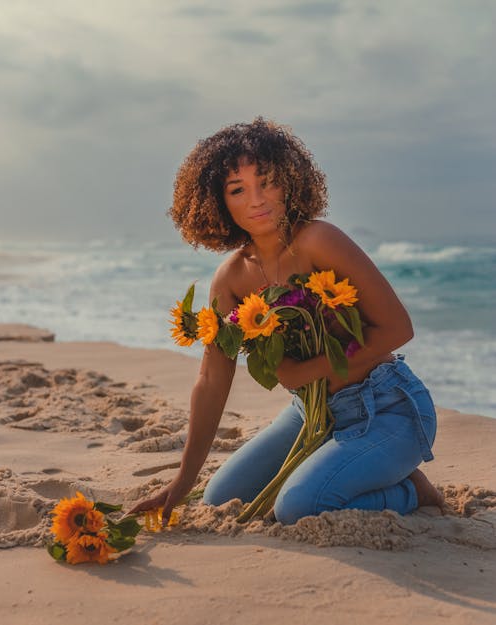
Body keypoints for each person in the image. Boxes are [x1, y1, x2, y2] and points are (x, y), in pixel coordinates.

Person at [129, 117, 443, 525]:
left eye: (267, 181)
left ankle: (412, 491)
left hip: (385, 407)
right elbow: (212, 379)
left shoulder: (318, 240)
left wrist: (307, 370)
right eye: (237, 190)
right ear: (217, 201)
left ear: (289, 181)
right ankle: (343, 466)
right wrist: (182, 480)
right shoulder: (231, 278)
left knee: (298, 507)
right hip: (309, 415)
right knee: (220, 497)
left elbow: (398, 328)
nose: (256, 199)